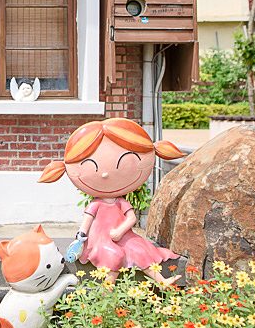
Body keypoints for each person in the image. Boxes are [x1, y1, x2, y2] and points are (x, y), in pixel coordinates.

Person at [39, 117, 184, 286]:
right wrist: (80, 238)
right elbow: (86, 224)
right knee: (114, 255)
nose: (105, 174)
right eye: (92, 166)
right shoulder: (95, 204)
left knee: (140, 251)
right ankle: (107, 290)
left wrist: (121, 231)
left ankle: (162, 281)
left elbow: (131, 219)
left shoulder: (121, 202)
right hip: (100, 240)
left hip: (125, 237)